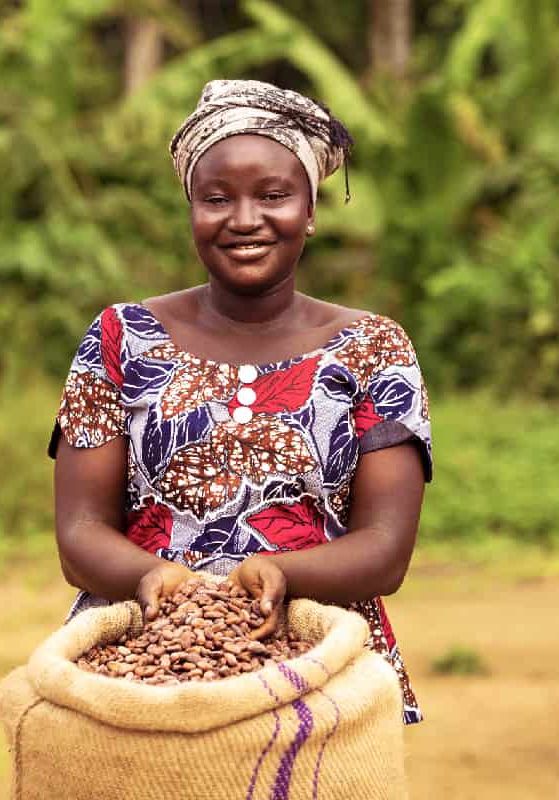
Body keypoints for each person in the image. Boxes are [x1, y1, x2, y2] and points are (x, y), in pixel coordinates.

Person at [48, 79, 432, 724]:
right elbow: (79, 532)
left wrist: (279, 571)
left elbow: (386, 548)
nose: (245, 219)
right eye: (217, 198)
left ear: (310, 210)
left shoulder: (374, 347)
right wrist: (158, 581)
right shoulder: (120, 337)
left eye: (274, 196)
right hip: (144, 662)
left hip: (321, 659)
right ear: (191, 210)